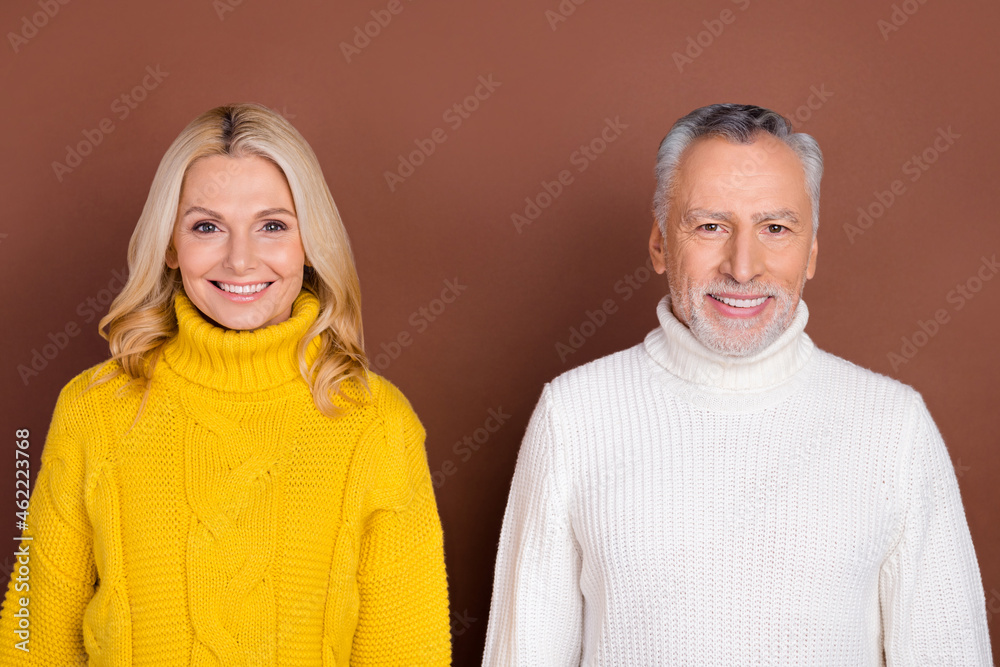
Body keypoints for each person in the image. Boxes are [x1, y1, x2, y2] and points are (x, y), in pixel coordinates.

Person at [483, 104, 991, 665]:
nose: (743, 267)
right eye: (710, 226)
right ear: (658, 245)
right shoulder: (573, 417)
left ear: (813, 250)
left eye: (775, 228)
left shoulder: (894, 428)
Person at [0, 103, 451, 665]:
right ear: (170, 246)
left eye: (272, 226)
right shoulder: (94, 409)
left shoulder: (376, 422)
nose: (240, 260)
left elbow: (407, 652)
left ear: (308, 242)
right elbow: (33, 636)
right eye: (207, 227)